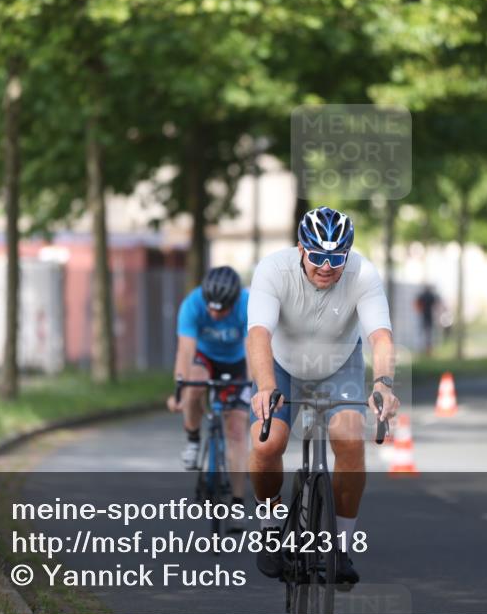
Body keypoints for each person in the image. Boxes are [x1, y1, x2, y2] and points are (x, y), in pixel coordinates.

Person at [247, 206, 400, 586]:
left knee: (350, 439)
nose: (327, 266)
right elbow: (258, 335)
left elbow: (380, 336)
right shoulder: (272, 270)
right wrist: (266, 386)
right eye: (317, 256)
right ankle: (270, 523)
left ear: (347, 253)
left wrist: (383, 384)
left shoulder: (363, 274)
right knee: (268, 443)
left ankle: (340, 547)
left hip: (338, 364)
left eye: (337, 257)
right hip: (281, 365)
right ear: (301, 248)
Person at [167, 266, 251, 518]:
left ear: (233, 302)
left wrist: (250, 391)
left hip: (237, 362)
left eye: (221, 309)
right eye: (211, 308)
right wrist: (180, 390)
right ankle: (193, 440)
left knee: (236, 427)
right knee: (194, 384)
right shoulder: (192, 304)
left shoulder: (248, 304)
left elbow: (252, 351)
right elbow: (185, 351)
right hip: (205, 358)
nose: (214, 313)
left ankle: (237, 499)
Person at [414, 284, 441, 355]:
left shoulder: (423, 296)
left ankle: (425, 350)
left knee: (423, 334)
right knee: (428, 335)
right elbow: (437, 304)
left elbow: (417, 304)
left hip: (425, 316)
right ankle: (427, 350)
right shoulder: (430, 296)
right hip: (428, 317)